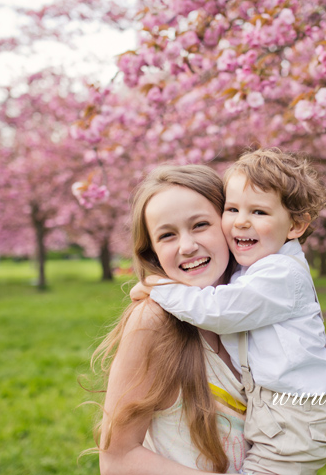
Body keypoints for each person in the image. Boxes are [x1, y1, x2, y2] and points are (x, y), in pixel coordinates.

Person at [132, 148, 326, 475]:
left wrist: (161, 288)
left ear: (296, 225)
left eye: (259, 212)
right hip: (277, 411)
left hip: (294, 418)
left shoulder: (281, 274)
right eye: (232, 209)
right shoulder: (257, 267)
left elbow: (218, 309)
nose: (242, 221)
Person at [90, 165, 248, 474]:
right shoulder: (153, 322)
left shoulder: (255, 310)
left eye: (200, 224)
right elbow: (116, 459)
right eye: (167, 235)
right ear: (152, 253)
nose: (187, 246)